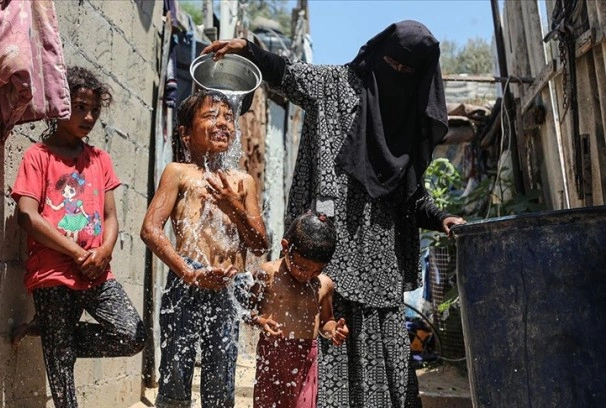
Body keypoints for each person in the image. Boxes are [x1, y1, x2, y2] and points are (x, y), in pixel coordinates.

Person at [202, 20, 466, 407]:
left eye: (407, 72)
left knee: (380, 363)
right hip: (326, 257)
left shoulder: (409, 121)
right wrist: (249, 50)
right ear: (378, 53)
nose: (396, 76)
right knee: (326, 349)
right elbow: (287, 74)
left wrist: (441, 217)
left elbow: (411, 194)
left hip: (380, 267)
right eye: (391, 63)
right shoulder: (335, 85)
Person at [11, 66, 146, 408]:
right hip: (53, 273)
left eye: (95, 110)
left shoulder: (99, 160)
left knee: (132, 334)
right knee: (62, 370)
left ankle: (55, 336)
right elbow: (26, 215)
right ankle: (57, 340)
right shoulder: (38, 157)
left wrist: (104, 251)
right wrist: (75, 252)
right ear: (60, 105)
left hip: (96, 270)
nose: (88, 116)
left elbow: (112, 216)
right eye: (80, 107)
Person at [139, 89, 269, 407]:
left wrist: (234, 206)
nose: (222, 122)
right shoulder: (178, 173)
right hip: (187, 276)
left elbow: (260, 244)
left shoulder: (243, 182)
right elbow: (150, 230)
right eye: (211, 116)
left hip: (229, 281)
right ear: (185, 133)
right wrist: (188, 272)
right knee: (175, 371)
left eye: (227, 117)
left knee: (221, 373)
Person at [247, 210, 349, 408]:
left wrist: (334, 330)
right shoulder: (267, 274)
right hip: (272, 357)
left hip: (305, 362)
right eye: (302, 267)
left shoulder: (324, 285)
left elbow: (326, 321)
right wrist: (260, 321)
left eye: (317, 270)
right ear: (285, 247)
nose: (308, 275)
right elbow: (244, 311)